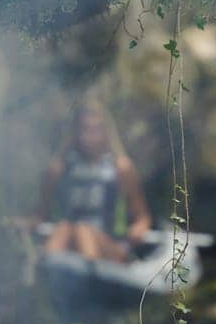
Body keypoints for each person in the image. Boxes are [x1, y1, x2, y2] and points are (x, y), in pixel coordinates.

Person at [36, 101, 152, 263]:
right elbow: (39, 215)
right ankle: (48, 271)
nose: (90, 136)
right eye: (85, 129)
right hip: (68, 239)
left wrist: (138, 229)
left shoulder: (121, 168)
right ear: (75, 132)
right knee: (64, 228)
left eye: (96, 129)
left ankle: (91, 274)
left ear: (106, 132)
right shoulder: (59, 168)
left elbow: (142, 217)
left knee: (82, 230)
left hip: (109, 247)